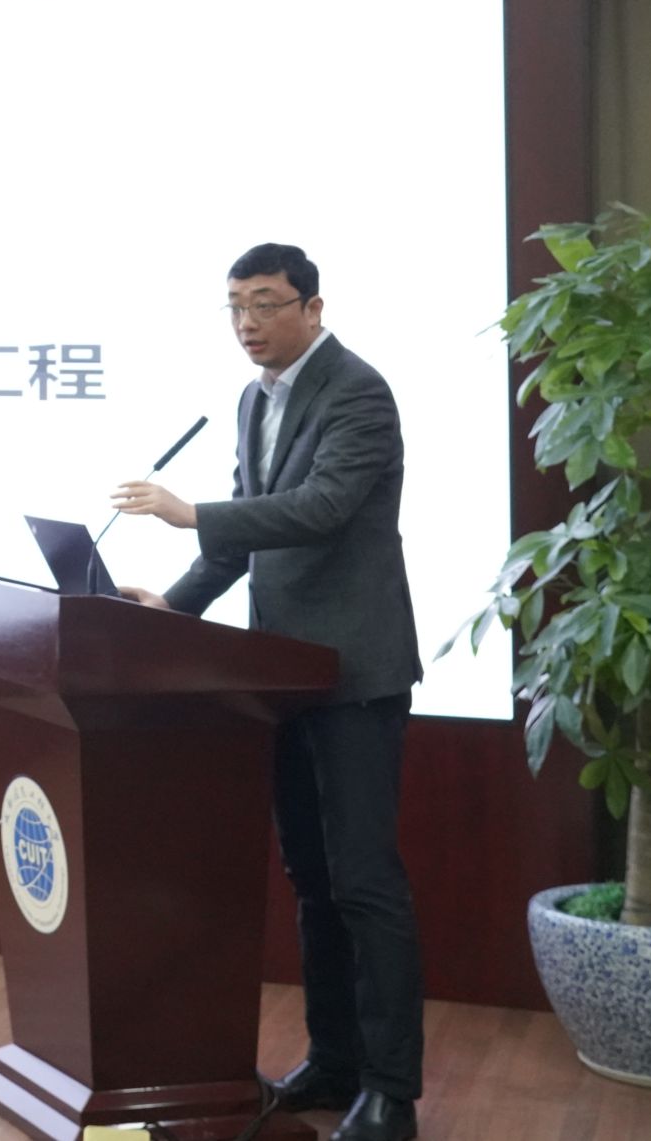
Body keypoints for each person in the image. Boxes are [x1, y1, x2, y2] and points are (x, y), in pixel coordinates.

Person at [110, 243, 424, 1141]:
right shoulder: (255, 400)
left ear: (312, 307)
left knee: (365, 881)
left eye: (265, 303)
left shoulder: (358, 392)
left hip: (354, 674)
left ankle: (392, 1092)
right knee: (312, 879)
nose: (247, 322)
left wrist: (189, 511)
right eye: (236, 306)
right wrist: (173, 606)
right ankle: (336, 1060)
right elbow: (245, 536)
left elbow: (321, 508)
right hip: (283, 675)